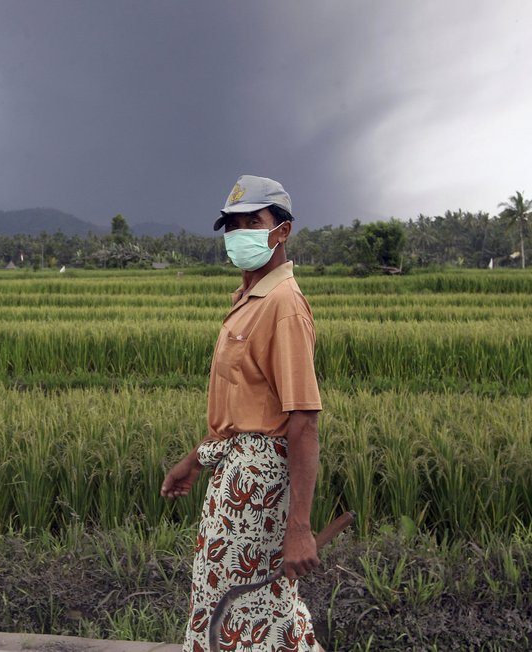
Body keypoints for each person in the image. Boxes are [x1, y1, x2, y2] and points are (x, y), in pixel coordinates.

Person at [161, 175, 323, 652]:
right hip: (233, 476)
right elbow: (243, 413)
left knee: (246, 608)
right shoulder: (250, 301)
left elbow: (302, 421)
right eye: (232, 224)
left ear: (282, 231)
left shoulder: (283, 306)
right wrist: (196, 459)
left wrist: (299, 528)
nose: (240, 233)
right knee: (231, 601)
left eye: (254, 221)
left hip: (260, 485)